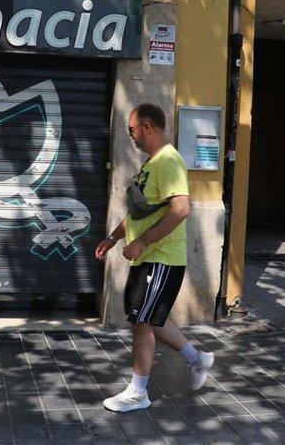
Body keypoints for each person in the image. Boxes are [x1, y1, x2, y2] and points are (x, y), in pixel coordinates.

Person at [95, 103, 214, 412]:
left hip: (161, 258)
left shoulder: (169, 162)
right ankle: (197, 360)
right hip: (149, 257)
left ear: (148, 127)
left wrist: (143, 242)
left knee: (142, 323)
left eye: (132, 129)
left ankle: (138, 392)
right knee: (150, 319)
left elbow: (181, 209)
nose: (130, 135)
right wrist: (112, 239)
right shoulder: (151, 164)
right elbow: (138, 214)